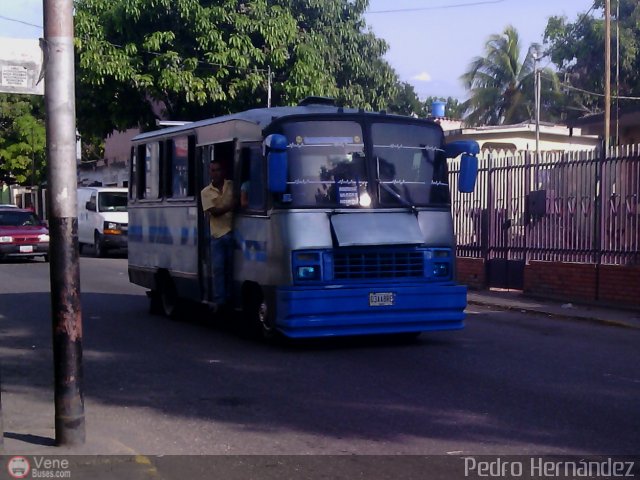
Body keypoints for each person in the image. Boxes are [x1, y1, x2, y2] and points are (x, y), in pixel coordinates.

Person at [200, 160, 235, 310]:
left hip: (233, 232)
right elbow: (214, 212)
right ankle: (220, 301)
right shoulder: (205, 192)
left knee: (232, 269)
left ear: (223, 171)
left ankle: (230, 297)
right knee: (219, 269)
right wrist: (232, 205)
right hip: (218, 235)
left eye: (218, 170)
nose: (216, 173)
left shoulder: (231, 185)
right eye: (213, 170)